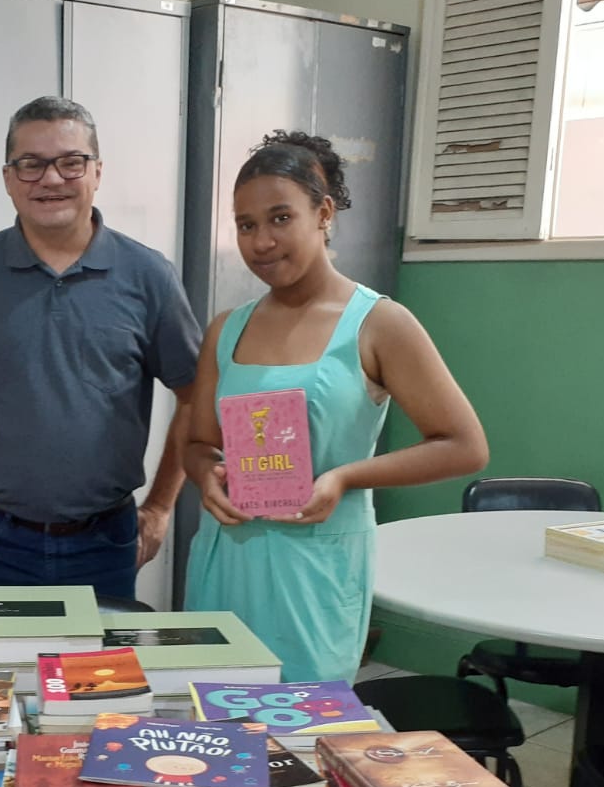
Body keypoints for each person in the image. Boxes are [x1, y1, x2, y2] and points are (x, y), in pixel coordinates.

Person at [184, 131, 488, 682]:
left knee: (302, 737)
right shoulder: (226, 330)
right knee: (213, 728)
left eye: (280, 218)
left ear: (323, 213)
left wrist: (346, 477)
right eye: (246, 224)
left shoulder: (378, 324)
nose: (261, 241)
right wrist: (206, 476)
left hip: (316, 569)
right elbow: (198, 443)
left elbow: (464, 446)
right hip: (226, 558)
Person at [0, 95, 201, 599]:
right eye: (31, 164)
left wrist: (161, 506)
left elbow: (194, 393)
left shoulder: (149, 277)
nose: (51, 179)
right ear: (8, 178)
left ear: (97, 172)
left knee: (97, 679)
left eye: (70, 162)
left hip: (105, 543)